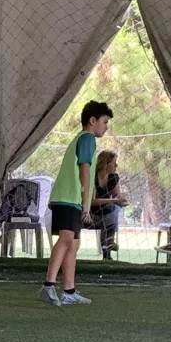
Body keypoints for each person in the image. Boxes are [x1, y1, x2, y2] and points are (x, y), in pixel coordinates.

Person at [40, 101, 113, 306]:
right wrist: (86, 202)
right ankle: (48, 285)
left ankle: (69, 291)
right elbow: (85, 170)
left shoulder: (82, 139)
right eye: (105, 122)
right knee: (66, 238)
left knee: (73, 243)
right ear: (93, 121)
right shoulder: (88, 138)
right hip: (68, 198)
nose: (106, 126)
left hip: (71, 198)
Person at [89, 149, 127, 260]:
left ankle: (108, 246)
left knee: (113, 209)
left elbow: (117, 195)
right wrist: (113, 201)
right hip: (90, 213)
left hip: (106, 212)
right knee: (112, 208)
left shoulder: (113, 177)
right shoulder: (92, 176)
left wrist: (122, 199)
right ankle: (108, 246)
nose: (116, 165)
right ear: (105, 163)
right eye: (114, 163)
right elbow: (92, 201)